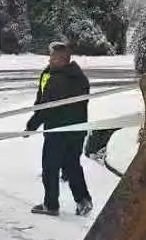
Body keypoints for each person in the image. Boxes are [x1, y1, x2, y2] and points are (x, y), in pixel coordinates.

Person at [25, 40, 94, 216]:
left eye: (53, 58)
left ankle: (51, 205)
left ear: (63, 60)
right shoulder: (77, 76)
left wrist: (31, 126)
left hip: (58, 131)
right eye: (50, 57)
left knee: (50, 167)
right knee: (72, 165)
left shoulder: (59, 79)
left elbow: (47, 107)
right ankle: (83, 200)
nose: (50, 61)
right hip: (76, 131)